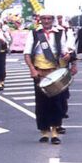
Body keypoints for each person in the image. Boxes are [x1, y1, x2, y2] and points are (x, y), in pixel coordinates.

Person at [24, 13, 70, 144]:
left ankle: (55, 133)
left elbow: (64, 50)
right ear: (40, 20)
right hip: (39, 72)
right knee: (41, 103)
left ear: (52, 20)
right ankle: (44, 131)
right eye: (44, 18)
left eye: (49, 18)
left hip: (54, 73)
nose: (46, 21)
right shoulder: (34, 33)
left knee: (56, 102)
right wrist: (32, 69)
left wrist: (67, 56)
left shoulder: (59, 33)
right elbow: (27, 53)